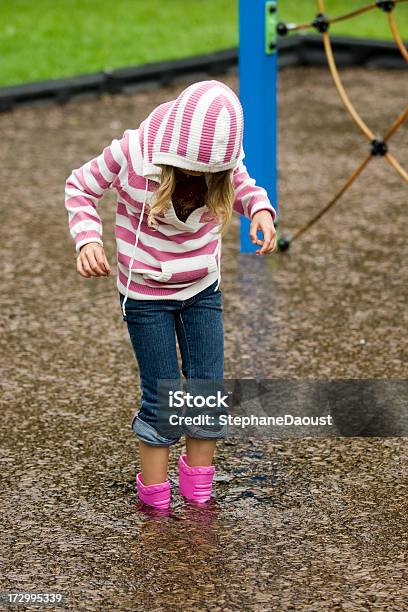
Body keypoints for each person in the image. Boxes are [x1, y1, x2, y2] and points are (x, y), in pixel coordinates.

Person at [64, 79, 277, 510]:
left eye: (209, 171)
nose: (198, 175)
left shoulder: (220, 162)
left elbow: (243, 183)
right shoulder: (133, 152)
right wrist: (88, 239)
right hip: (145, 294)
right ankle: (156, 505)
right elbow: (80, 186)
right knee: (162, 397)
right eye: (191, 167)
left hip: (202, 287)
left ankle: (199, 498)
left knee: (205, 391)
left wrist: (260, 210)